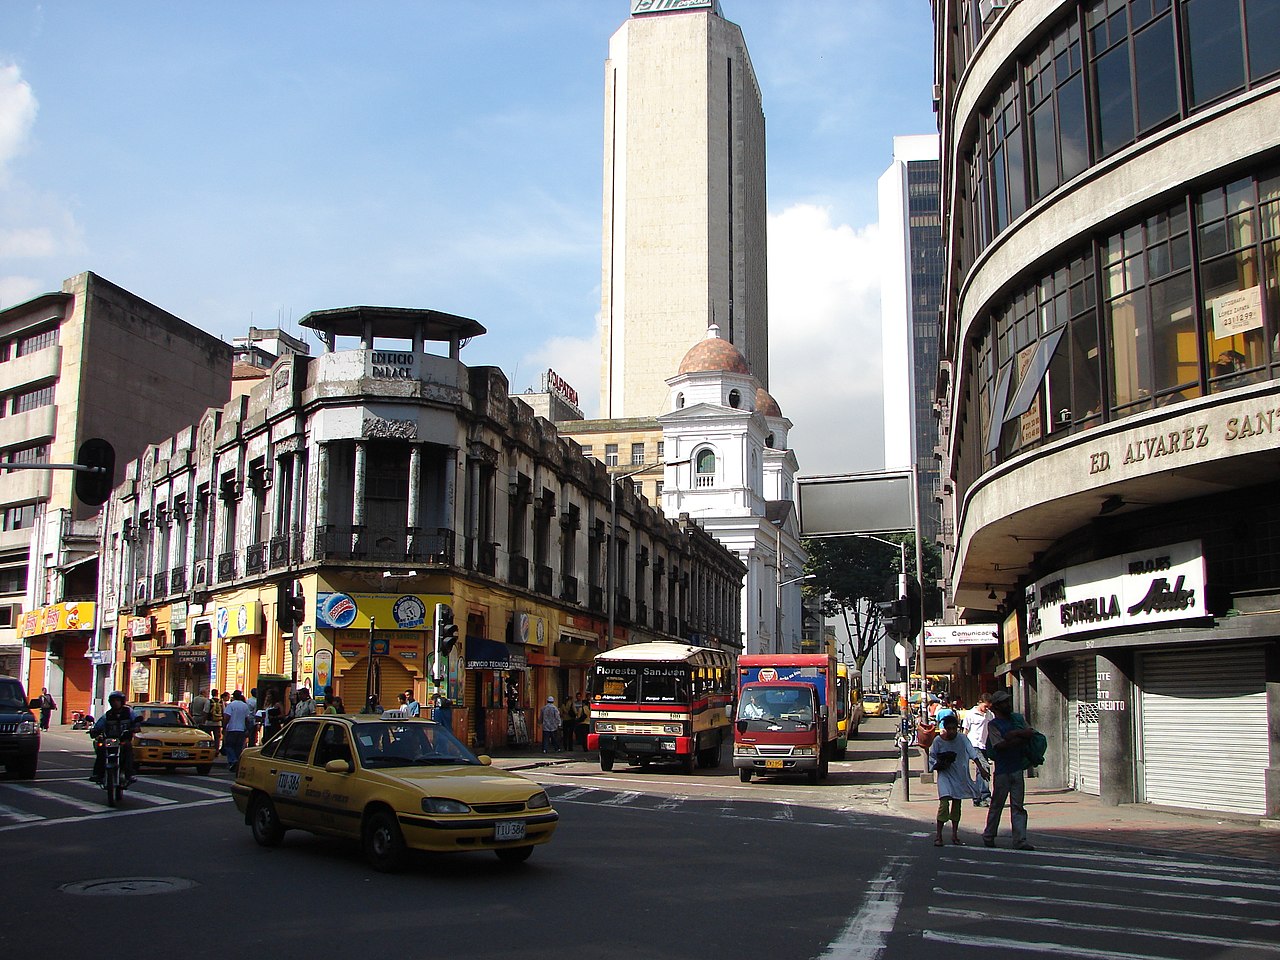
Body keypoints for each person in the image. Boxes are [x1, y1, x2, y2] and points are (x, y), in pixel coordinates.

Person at [982, 689, 1039, 851]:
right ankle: (989, 835)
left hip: (1016, 768)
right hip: (1002, 771)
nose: (1008, 705)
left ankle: (1020, 840)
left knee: (1018, 806)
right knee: (997, 804)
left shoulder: (1017, 720)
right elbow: (999, 745)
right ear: (997, 706)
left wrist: (1014, 734)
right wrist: (1019, 739)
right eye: (1004, 702)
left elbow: (1031, 733)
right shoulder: (994, 725)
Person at [928, 712, 985, 846]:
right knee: (944, 804)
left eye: (954, 728)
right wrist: (940, 763)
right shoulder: (938, 741)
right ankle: (939, 835)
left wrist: (981, 768)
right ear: (945, 728)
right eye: (949, 728)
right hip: (945, 775)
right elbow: (932, 756)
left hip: (960, 775)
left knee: (956, 805)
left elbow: (972, 752)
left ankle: (954, 834)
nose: (952, 731)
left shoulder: (963, 739)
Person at [89, 691, 138, 785]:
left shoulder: (129, 712)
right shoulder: (107, 715)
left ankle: (129, 774)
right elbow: (99, 725)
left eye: (117, 700)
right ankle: (98, 774)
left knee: (128, 749)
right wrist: (94, 730)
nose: (115, 703)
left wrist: (136, 727)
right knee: (101, 749)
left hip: (123, 740)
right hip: (110, 740)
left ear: (122, 702)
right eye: (113, 701)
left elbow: (136, 721)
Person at [962, 694, 994, 806]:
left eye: (988, 707)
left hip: (984, 745)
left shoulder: (990, 715)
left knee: (980, 771)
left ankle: (977, 797)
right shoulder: (970, 714)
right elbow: (965, 731)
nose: (986, 709)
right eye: (985, 706)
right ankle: (985, 795)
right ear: (980, 702)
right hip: (973, 745)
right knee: (985, 767)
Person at [222, 689, 253, 774]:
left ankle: (233, 760)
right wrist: (247, 729)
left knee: (229, 746)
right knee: (238, 747)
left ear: (234, 696)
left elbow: (227, 717)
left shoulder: (231, 705)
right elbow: (247, 719)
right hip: (241, 729)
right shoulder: (245, 706)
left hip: (231, 729)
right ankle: (236, 762)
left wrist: (224, 727)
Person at [206, 688, 224, 754]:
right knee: (217, 737)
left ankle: (209, 749)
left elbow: (206, 711)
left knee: (208, 736)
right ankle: (216, 750)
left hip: (209, 722)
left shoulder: (209, 701)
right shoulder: (221, 701)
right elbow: (223, 711)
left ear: (211, 693)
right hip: (218, 722)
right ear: (217, 694)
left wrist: (204, 720)